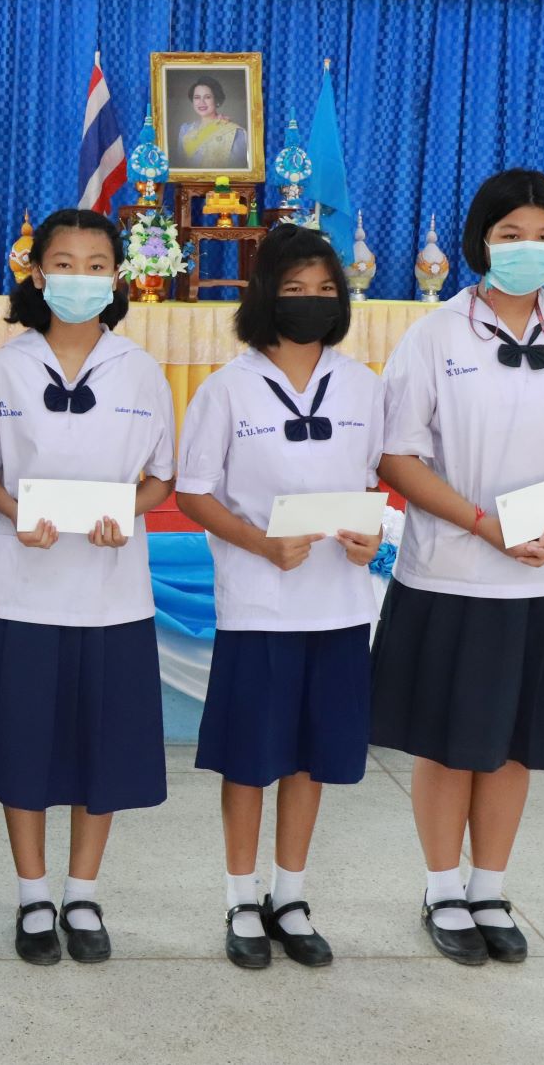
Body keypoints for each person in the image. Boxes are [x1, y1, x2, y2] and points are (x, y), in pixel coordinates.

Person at [371, 169, 544, 966]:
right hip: (452, 573)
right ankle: (441, 888)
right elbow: (396, 456)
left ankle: (489, 886)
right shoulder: (434, 337)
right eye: (511, 235)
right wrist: (483, 526)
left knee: (516, 744)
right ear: (480, 242)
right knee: (450, 744)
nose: (529, 249)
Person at [0, 208, 175, 965]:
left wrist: (125, 513)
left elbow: (162, 477)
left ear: (117, 278)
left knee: (101, 750)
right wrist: (14, 513)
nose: (79, 278)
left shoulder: (140, 370)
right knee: (24, 746)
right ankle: (33, 895)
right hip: (20, 590)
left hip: (111, 593)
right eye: (63, 264)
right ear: (38, 275)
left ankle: (83, 893)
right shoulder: (7, 367)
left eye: (96, 265)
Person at [174, 225, 384, 970]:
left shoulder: (364, 387)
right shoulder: (227, 389)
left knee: (311, 758)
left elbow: (371, 485)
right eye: (295, 289)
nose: (311, 301)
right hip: (260, 606)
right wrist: (261, 543)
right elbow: (193, 493)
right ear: (266, 294)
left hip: (339, 607)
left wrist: (369, 538)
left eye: (325, 289)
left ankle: (289, 896)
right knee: (250, 758)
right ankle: (241, 897)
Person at [178, 75, 250, 170]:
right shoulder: (185, 130)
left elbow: (238, 169)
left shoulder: (234, 132)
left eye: (207, 97)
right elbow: (180, 165)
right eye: (197, 97)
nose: (201, 102)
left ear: (216, 100)